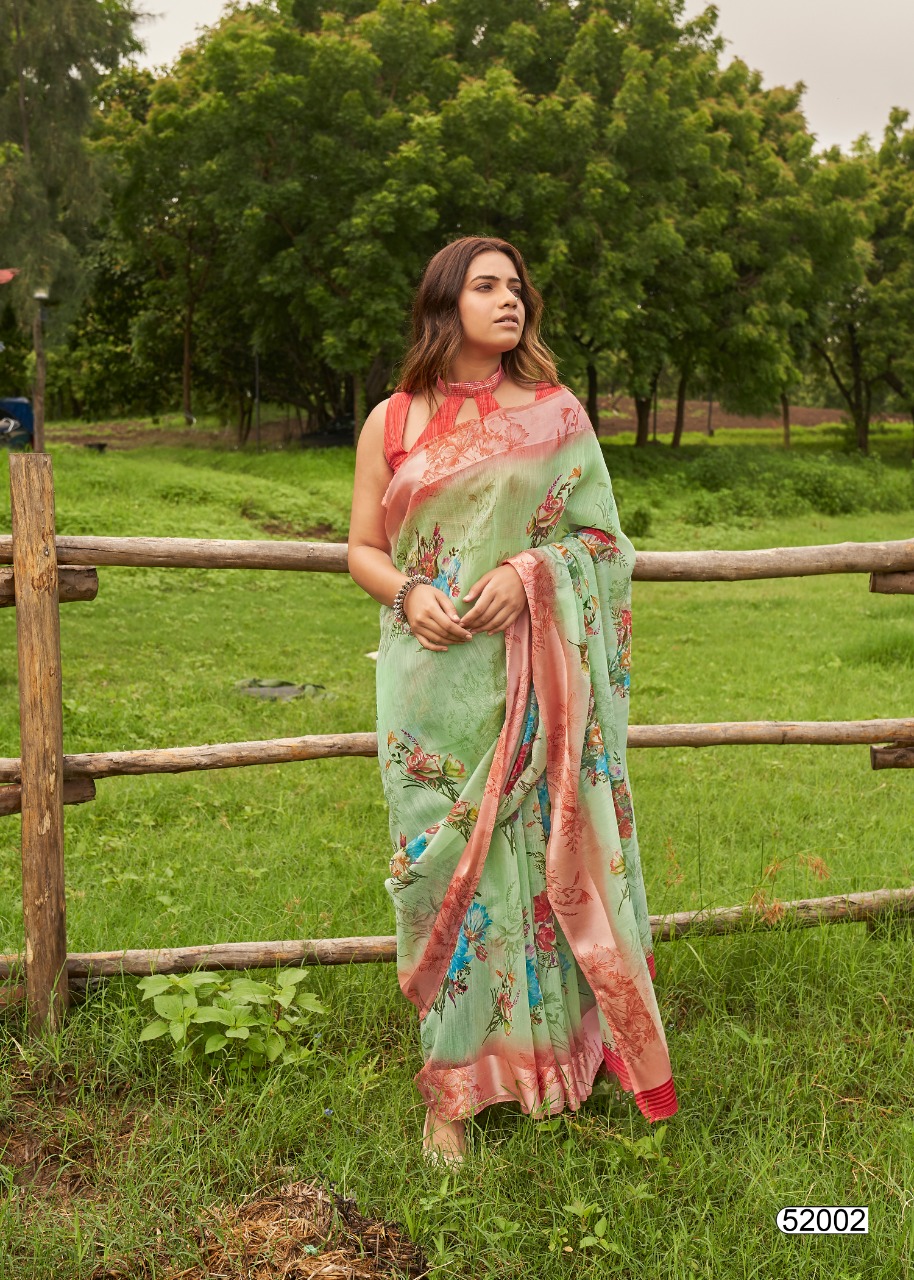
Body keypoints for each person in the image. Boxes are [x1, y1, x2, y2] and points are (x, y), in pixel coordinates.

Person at [348, 236, 677, 1165]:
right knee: (443, 877)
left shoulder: (557, 414)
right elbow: (362, 548)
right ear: (443, 303)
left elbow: (604, 546)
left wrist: (531, 571)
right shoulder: (393, 420)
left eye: (517, 288)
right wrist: (407, 593)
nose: (510, 300)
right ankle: (451, 1095)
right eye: (486, 286)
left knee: (536, 865)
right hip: (428, 687)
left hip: (538, 681)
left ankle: (554, 1064)